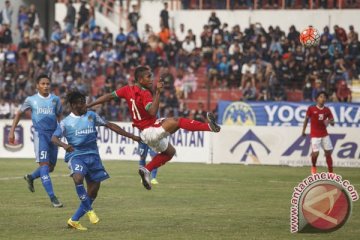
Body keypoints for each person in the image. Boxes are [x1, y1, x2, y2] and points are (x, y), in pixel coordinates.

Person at [87, 66, 221, 190]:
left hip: (147, 134)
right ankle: (210, 127)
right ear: (140, 79)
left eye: (151, 76)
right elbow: (151, 112)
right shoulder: (145, 93)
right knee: (177, 121)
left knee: (170, 152)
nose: (151, 80)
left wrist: (90, 105)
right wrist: (158, 92)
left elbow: (109, 96)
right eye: (148, 77)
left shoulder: (126, 89)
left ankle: (146, 170)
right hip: (151, 131)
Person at [51, 90, 141, 231]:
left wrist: (132, 136)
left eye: (85, 102)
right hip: (77, 155)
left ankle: (74, 220)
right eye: (81, 103)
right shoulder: (65, 122)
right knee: (78, 178)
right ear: (73, 105)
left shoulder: (92, 116)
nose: (85, 105)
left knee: (93, 191)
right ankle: (90, 210)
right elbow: (54, 138)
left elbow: (110, 125)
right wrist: (64, 145)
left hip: (94, 157)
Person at [8, 74, 63, 207]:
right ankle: (53, 198)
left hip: (54, 136)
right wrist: (11, 130)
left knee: (51, 167)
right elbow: (19, 113)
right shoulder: (31, 100)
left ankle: (31, 177)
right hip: (40, 135)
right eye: (43, 84)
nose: (46, 86)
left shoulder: (55, 100)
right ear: (37, 86)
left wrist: (61, 131)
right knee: (44, 166)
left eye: (48, 84)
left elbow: (60, 115)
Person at [302, 91, 334, 174]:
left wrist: (330, 121)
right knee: (315, 153)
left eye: (324, 97)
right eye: (321, 97)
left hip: (324, 134)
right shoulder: (311, 108)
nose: (323, 99)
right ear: (317, 99)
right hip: (315, 135)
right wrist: (303, 131)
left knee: (328, 153)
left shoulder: (327, 110)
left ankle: (331, 173)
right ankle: (313, 166)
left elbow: (332, 122)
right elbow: (306, 119)